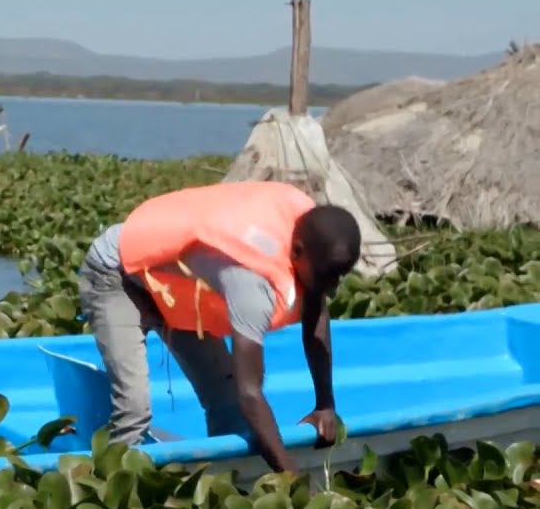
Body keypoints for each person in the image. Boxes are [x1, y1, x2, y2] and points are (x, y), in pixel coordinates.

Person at [77, 180, 362, 474]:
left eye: (341, 276)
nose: (334, 287)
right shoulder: (251, 283)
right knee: (134, 411)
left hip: (175, 284)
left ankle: (225, 484)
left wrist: (325, 405)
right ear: (298, 251)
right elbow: (249, 391)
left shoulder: (313, 241)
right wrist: (291, 478)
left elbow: (316, 317)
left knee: (226, 401)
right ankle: (113, 495)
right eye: (328, 275)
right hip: (118, 273)